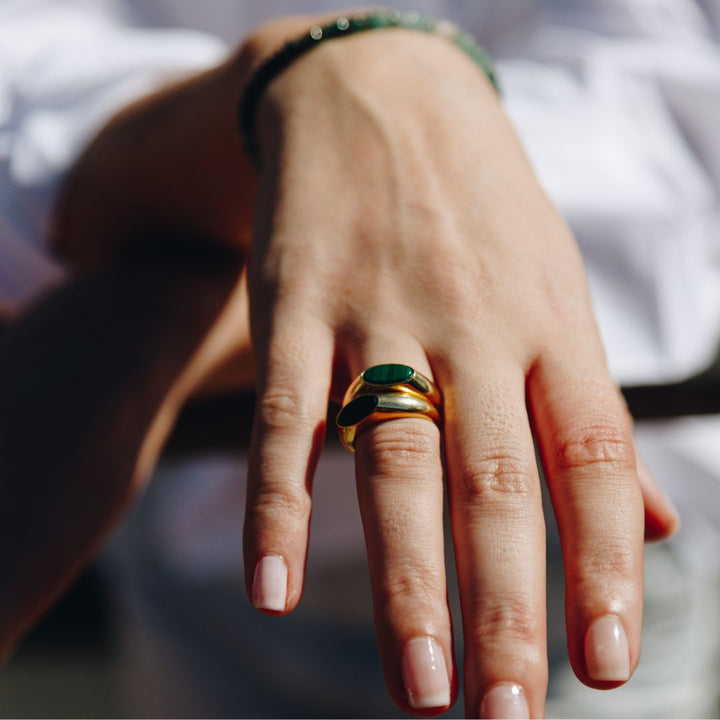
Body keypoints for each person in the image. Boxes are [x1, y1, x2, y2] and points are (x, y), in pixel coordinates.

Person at [1, 1, 718, 717]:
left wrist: (173, 297)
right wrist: (320, 83)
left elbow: (669, 151)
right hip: (191, 550)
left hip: (560, 561)